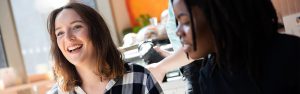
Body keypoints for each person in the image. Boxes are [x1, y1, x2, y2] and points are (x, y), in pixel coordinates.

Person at [147, 0, 300, 94]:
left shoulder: (292, 57)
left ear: (218, 15)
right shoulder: (210, 78)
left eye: (185, 21)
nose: (178, 31)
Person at [46, 3, 163, 94]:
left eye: (76, 27)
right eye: (60, 33)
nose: (68, 37)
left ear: (97, 31)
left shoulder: (139, 78)